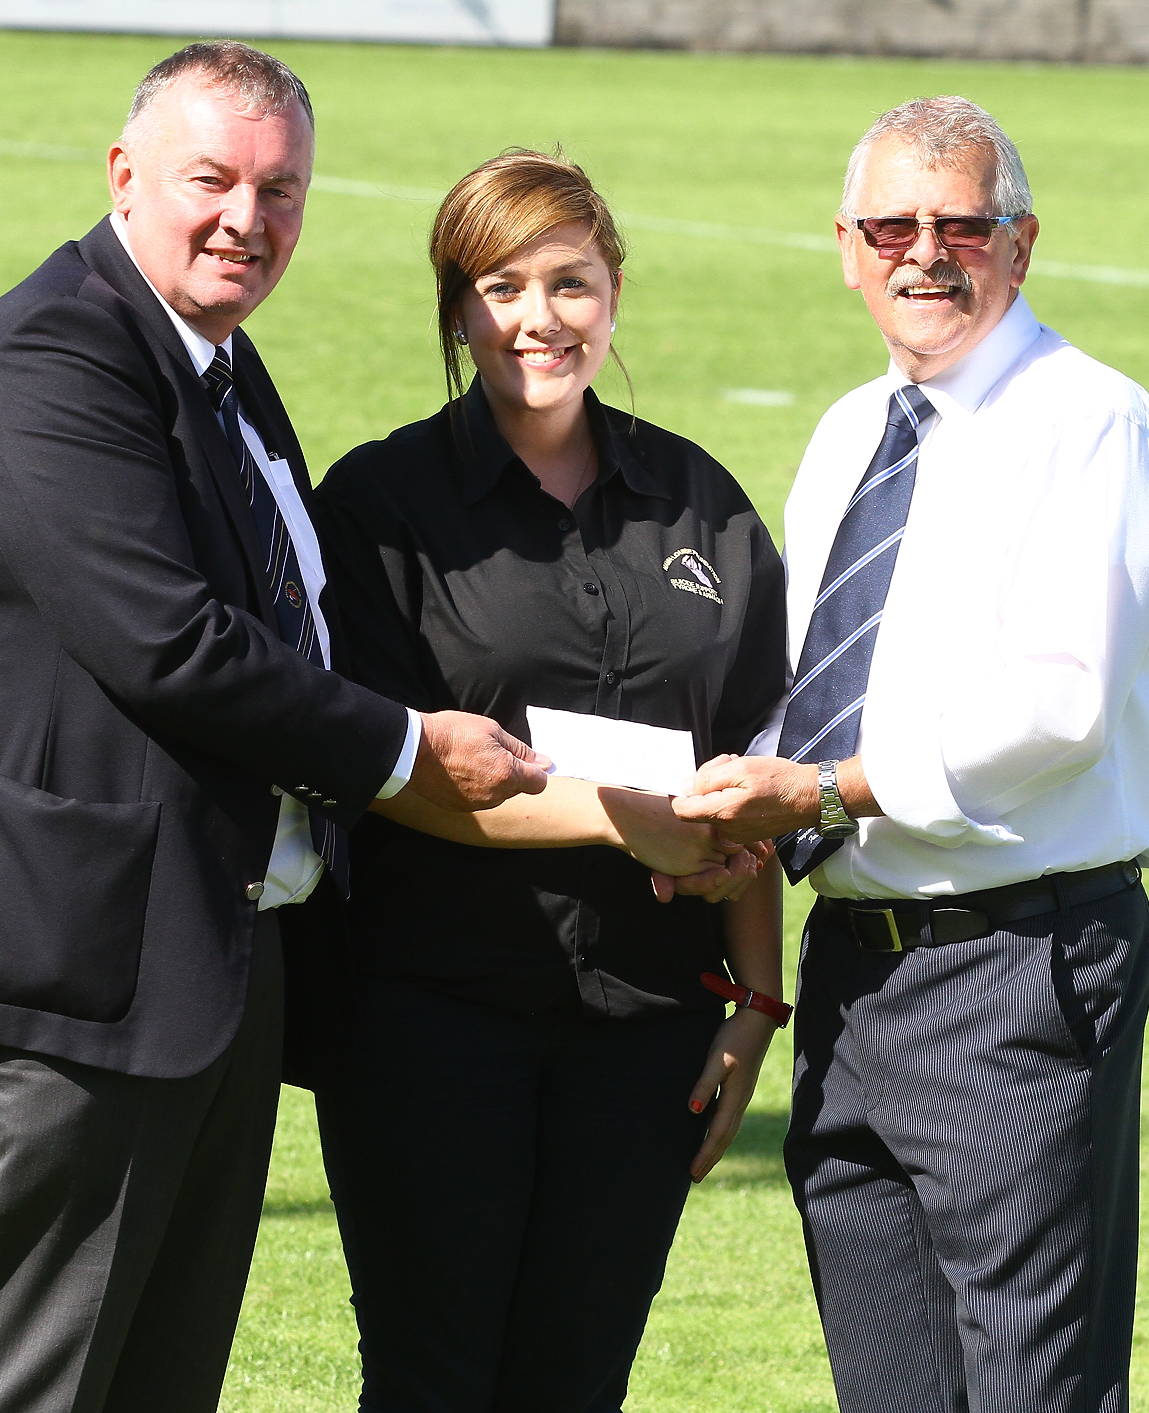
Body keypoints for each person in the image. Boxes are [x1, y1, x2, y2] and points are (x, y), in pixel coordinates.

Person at [0, 43, 550, 1413]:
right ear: (124, 175)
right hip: (62, 976)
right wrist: (406, 747)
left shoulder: (214, 355)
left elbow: (293, 613)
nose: (246, 219)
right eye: (210, 180)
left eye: (281, 192)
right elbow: (172, 645)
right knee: (18, 1386)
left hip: (204, 959)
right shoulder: (58, 355)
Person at [673, 97, 1149, 1413]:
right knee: (890, 1391)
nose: (925, 251)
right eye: (892, 223)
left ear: (1022, 244)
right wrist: (729, 806)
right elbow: (819, 683)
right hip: (853, 976)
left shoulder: (1091, 424)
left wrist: (825, 791)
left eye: (961, 222)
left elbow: (1060, 707)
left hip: (1015, 970)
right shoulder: (854, 428)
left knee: (1032, 1393)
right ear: (845, 245)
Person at [311, 149, 790, 1413]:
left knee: (576, 1383)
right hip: (428, 1020)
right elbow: (388, 775)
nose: (538, 319)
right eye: (500, 286)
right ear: (457, 311)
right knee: (433, 1379)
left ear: (614, 291)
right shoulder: (376, 506)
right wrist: (645, 828)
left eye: (568, 283)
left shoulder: (705, 505)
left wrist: (755, 1002)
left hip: (646, 1032)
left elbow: (751, 767)